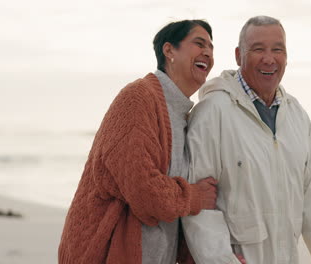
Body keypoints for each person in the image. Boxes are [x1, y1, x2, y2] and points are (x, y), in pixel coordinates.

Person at [182, 15, 311, 264]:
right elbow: (199, 209)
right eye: (258, 49)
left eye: (277, 49)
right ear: (239, 55)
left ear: (286, 56)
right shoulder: (213, 112)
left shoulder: (296, 116)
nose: (269, 58)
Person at [58, 19, 217, 264]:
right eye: (199, 43)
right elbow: (144, 189)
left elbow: (177, 215)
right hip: (106, 254)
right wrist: (195, 197)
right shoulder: (138, 98)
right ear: (169, 51)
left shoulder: (185, 117)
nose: (207, 51)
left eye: (211, 46)